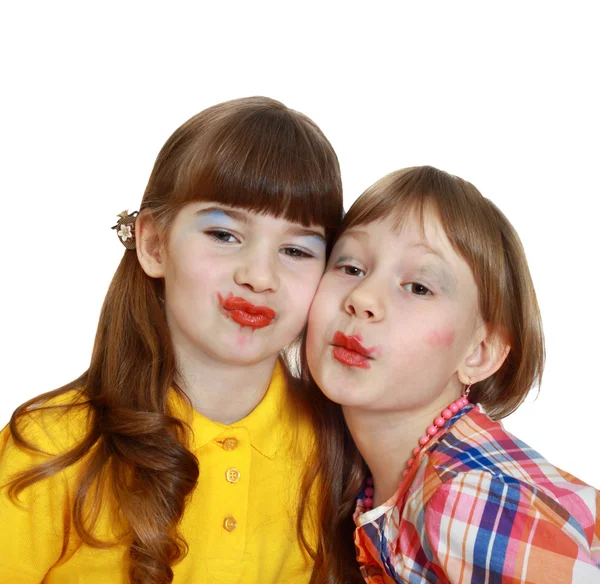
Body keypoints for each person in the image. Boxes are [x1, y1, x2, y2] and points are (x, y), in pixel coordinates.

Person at [0, 96, 343, 583]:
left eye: (295, 249)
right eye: (224, 235)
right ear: (154, 244)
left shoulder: (336, 449)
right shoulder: (50, 449)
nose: (260, 276)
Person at [304, 166, 600, 583]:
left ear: (479, 352)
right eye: (351, 267)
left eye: (418, 287)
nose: (363, 298)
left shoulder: (464, 498)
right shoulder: (380, 484)